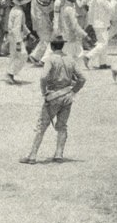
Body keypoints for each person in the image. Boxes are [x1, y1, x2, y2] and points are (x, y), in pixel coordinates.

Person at [23, 34, 86, 164]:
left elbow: (43, 77)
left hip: (53, 95)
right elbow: (82, 78)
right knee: (62, 126)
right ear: (62, 45)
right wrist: (74, 91)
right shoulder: (70, 59)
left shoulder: (50, 59)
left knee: (42, 126)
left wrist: (43, 91)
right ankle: (59, 154)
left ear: (51, 46)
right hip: (67, 96)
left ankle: (32, 156)